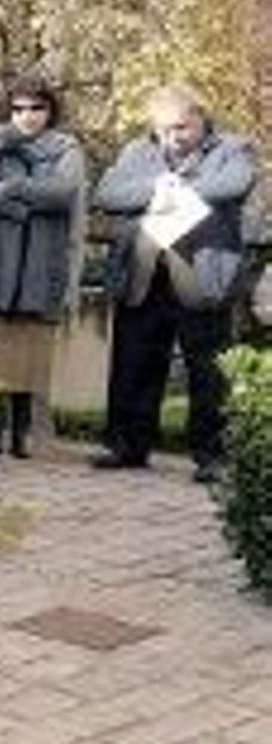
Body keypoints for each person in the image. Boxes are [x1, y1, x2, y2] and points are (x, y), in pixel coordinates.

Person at [91, 84, 257, 483]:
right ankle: (127, 446)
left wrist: (174, 191)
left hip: (201, 278)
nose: (173, 137)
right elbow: (108, 193)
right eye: (164, 129)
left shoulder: (230, 149)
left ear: (200, 118)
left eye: (181, 127)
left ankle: (212, 456)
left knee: (208, 373)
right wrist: (157, 188)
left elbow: (233, 185)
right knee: (133, 364)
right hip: (144, 274)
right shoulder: (136, 152)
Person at [0, 76, 86, 457]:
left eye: (37, 108)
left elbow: (64, 193)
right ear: (7, 110)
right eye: (19, 108)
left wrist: (13, 189)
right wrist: (25, 210)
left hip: (39, 260)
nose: (27, 116)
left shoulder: (66, 148)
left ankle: (22, 433)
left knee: (31, 350)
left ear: (51, 110)